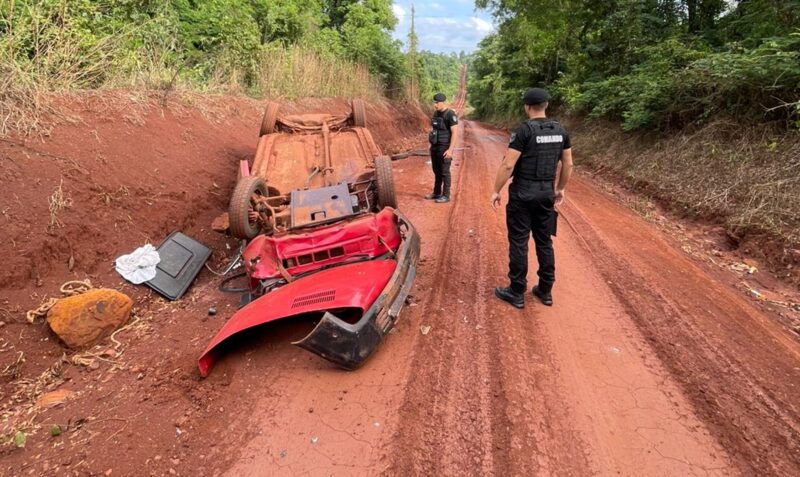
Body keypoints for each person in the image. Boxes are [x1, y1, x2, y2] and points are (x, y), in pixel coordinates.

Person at [490, 87, 573, 308]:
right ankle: (545, 290)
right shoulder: (561, 131)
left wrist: (496, 190)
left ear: (527, 107)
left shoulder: (524, 131)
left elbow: (508, 164)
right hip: (546, 193)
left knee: (519, 241)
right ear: (546, 105)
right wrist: (560, 188)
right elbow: (568, 163)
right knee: (544, 241)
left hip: (523, 194)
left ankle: (516, 291)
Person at [426, 92, 459, 203]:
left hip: (445, 147)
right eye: (434, 103)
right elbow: (434, 130)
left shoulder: (450, 114)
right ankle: (436, 193)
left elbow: (454, 133)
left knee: (445, 172)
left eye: (437, 103)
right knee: (436, 171)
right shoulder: (436, 114)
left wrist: (450, 150)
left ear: (443, 102)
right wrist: (431, 144)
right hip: (435, 147)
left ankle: (446, 195)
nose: (435, 105)